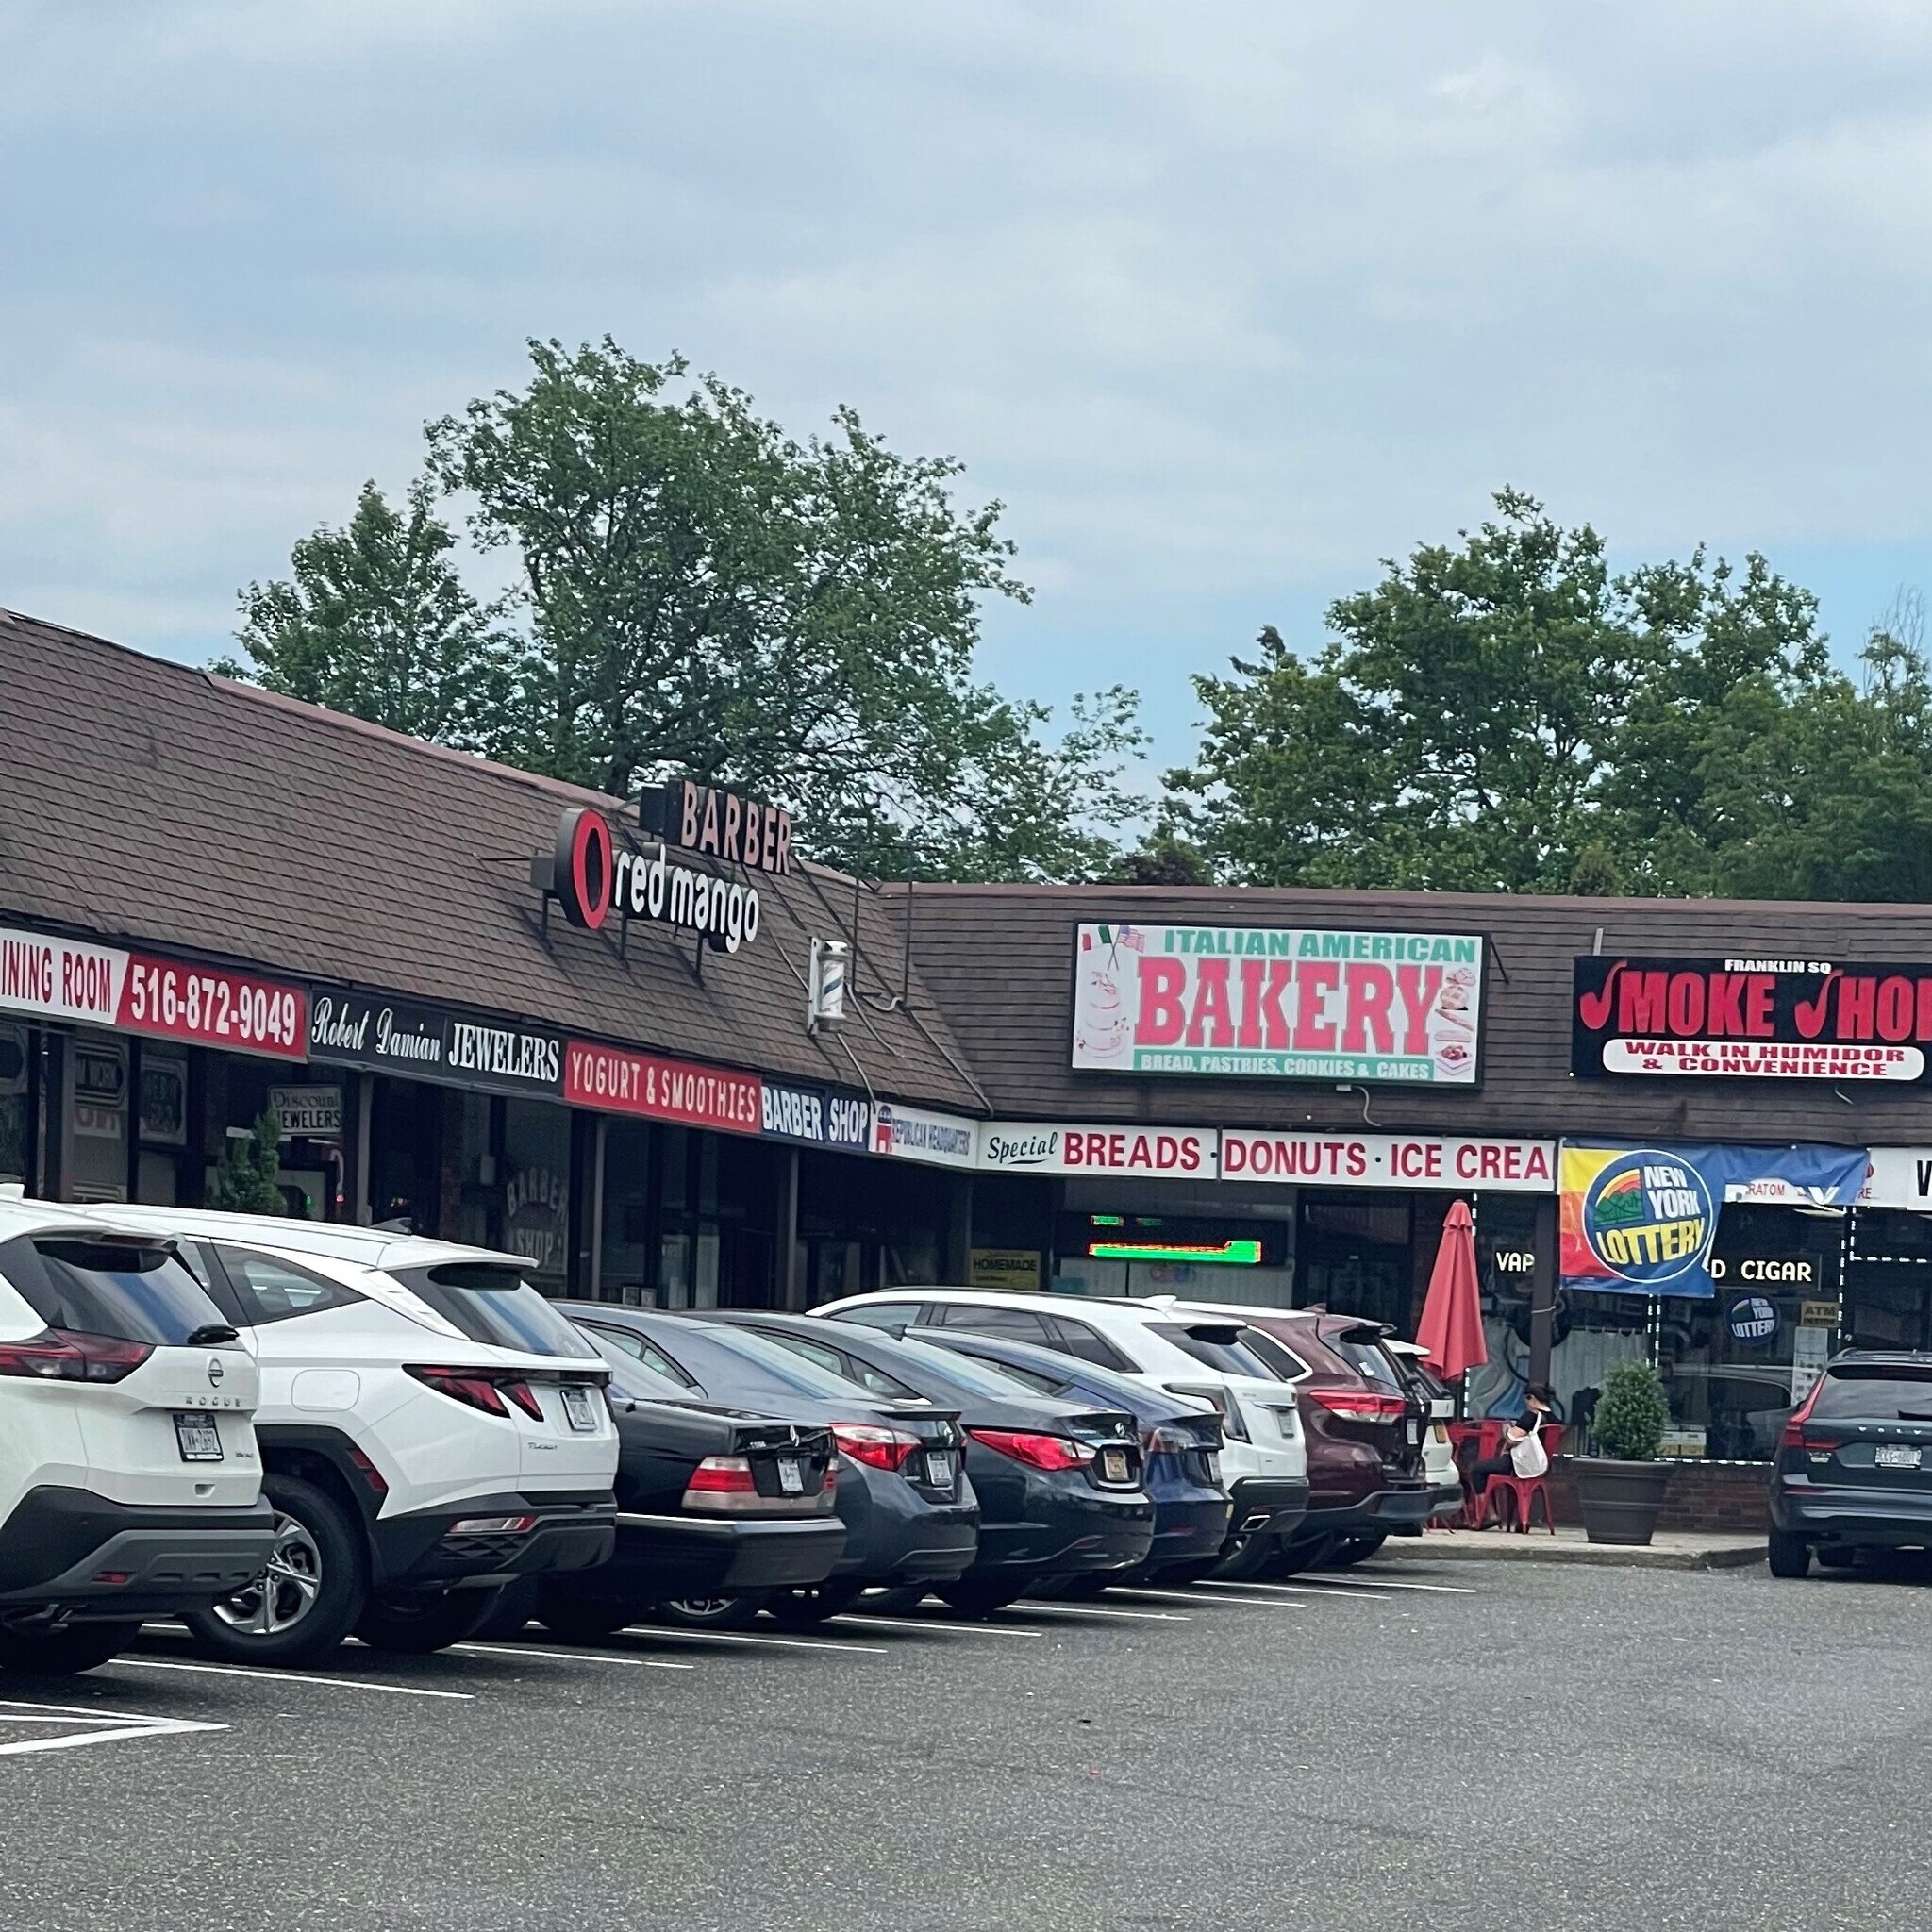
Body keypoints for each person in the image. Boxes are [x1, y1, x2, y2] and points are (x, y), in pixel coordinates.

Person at [1465, 1384, 1557, 1516]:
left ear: (1532, 1398)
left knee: (1477, 1469)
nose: (1526, 1404)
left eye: (1526, 1400)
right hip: (1541, 1465)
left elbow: (1511, 1438)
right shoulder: (1553, 1418)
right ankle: (1520, 1518)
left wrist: (1507, 1429)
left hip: (1519, 1464)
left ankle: (1488, 1513)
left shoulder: (1531, 1416)